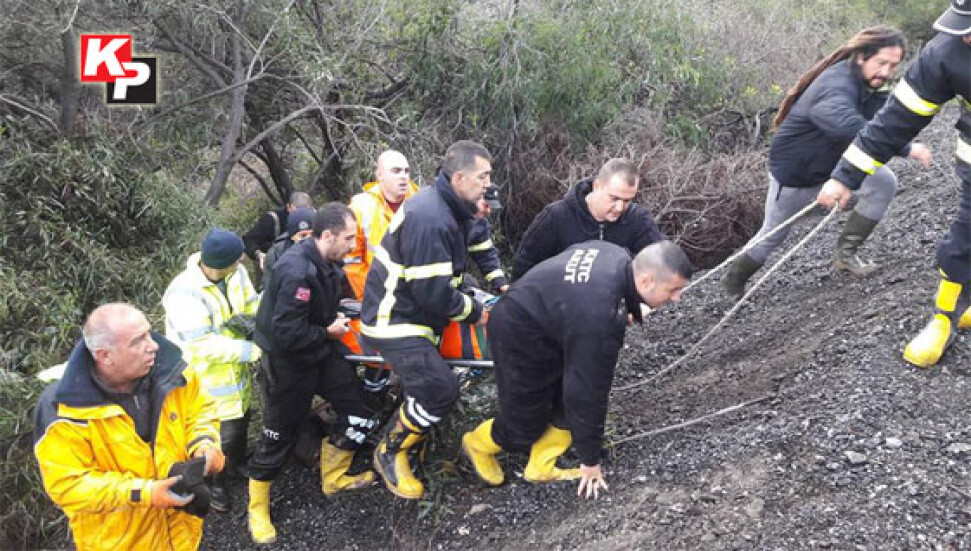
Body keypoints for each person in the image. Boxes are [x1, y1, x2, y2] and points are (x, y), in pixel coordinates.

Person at [461, 241, 691, 499]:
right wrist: (590, 462)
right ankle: (477, 444)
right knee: (524, 421)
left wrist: (628, 307)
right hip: (517, 331)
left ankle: (540, 466)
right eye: (673, 290)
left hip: (555, 321)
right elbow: (588, 392)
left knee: (563, 403)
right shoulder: (599, 317)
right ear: (647, 281)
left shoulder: (615, 254)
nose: (677, 299)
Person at [722, 26, 933, 300]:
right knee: (773, 235)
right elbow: (851, 128)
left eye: (893, 65)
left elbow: (884, 115)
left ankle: (846, 254)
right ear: (860, 57)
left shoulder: (868, 83)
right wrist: (906, 148)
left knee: (884, 183)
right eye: (881, 63)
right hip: (796, 175)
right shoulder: (835, 86)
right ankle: (732, 284)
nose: (887, 71)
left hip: (833, 167)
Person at [818, 1, 971, 368]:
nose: (966, 36)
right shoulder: (945, 54)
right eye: (963, 27)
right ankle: (944, 319)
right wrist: (845, 176)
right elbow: (894, 123)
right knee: (966, 237)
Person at [34, 303, 224, 551]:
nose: (153, 345)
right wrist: (143, 493)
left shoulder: (174, 372)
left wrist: (204, 444)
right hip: (120, 541)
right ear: (104, 356)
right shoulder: (64, 410)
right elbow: (68, 485)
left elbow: (200, 410)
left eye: (149, 333)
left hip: (180, 534)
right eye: (137, 341)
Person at [361, 140, 491, 500]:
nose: (488, 184)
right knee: (439, 389)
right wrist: (477, 311)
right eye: (483, 176)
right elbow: (432, 293)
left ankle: (418, 450)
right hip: (394, 320)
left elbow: (464, 260)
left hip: (417, 316)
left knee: (438, 382)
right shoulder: (430, 217)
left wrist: (494, 284)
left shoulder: (452, 207)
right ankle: (389, 451)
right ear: (461, 177)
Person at [246, 204, 377, 544]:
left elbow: (340, 297)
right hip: (288, 357)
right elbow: (288, 333)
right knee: (279, 431)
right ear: (328, 235)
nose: (353, 245)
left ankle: (334, 476)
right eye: (348, 239)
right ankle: (257, 507)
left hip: (321, 347)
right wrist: (328, 331)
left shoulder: (330, 261)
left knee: (358, 408)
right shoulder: (296, 271)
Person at [162, 228, 261, 512]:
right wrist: (252, 352)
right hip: (205, 378)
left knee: (241, 417)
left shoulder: (235, 274)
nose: (242, 262)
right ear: (224, 261)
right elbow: (200, 345)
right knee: (217, 436)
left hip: (235, 372)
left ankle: (237, 464)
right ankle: (217, 488)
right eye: (238, 258)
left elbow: (251, 304)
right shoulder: (183, 293)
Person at [510, 157, 665, 281]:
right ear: (597, 186)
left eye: (627, 200)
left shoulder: (639, 220)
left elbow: (659, 269)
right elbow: (524, 269)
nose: (619, 207)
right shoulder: (555, 217)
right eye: (614, 198)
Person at [344, 150, 420, 299]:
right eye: (396, 171)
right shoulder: (360, 206)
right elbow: (352, 259)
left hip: (416, 295)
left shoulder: (422, 202)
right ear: (379, 175)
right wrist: (371, 293)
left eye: (406, 171)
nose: (403, 176)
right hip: (376, 294)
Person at [242, 191, 313, 278]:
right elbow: (249, 240)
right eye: (296, 211)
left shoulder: (315, 219)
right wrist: (259, 254)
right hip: (274, 267)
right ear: (289, 207)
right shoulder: (273, 219)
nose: (300, 215)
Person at [261, 206, 315, 291]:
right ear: (292, 236)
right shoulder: (277, 253)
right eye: (302, 235)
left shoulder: (324, 251)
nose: (308, 240)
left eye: (312, 235)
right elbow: (269, 289)